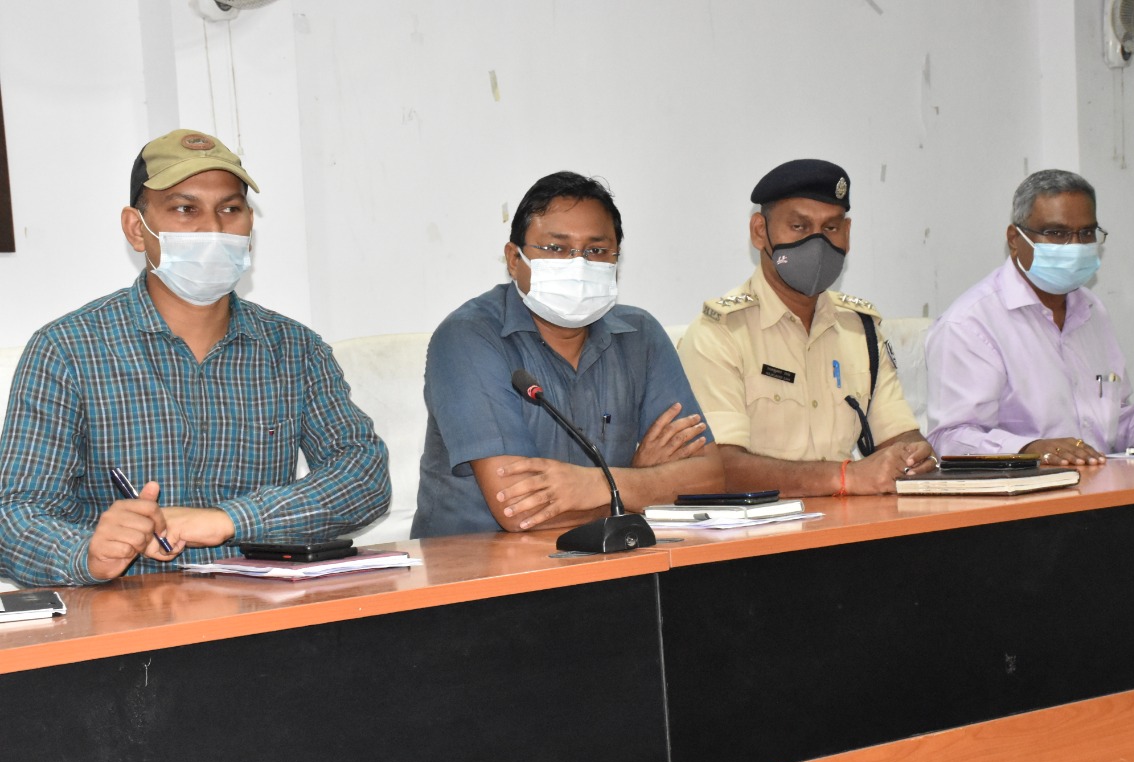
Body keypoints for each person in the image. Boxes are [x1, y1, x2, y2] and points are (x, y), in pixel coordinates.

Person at [0, 129, 391, 587]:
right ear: (136, 229)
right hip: (126, 611)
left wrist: (228, 520)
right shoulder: (68, 349)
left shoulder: (293, 348)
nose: (213, 228)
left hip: (258, 606)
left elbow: (364, 476)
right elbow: (15, 515)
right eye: (185, 209)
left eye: (230, 209)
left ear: (250, 225)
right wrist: (85, 554)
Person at [411, 171, 722, 537]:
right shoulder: (469, 337)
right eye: (557, 249)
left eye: (596, 251)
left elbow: (710, 477)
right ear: (514, 259)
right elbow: (520, 511)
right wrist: (637, 484)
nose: (579, 264)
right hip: (478, 564)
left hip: (609, 558)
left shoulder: (640, 335)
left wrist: (599, 486)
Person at [926, 168, 1134, 463]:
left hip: (1097, 491)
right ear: (1015, 239)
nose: (1075, 246)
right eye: (1057, 233)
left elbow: (1115, 422)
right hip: (1022, 504)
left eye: (1087, 233)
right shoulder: (971, 324)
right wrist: (1030, 449)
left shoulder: (1090, 309)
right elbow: (950, 439)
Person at [677, 158, 935, 498]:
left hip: (852, 522)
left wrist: (915, 455)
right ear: (759, 231)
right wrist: (844, 477)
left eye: (831, 228)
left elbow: (899, 435)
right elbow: (718, 468)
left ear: (847, 234)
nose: (818, 244)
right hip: (762, 528)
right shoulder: (720, 333)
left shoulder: (861, 331)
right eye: (799, 227)